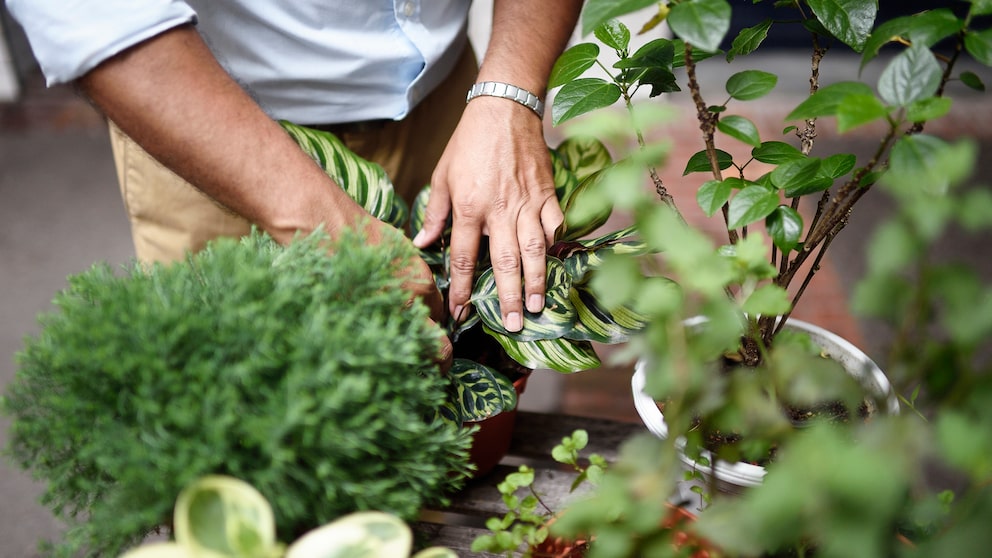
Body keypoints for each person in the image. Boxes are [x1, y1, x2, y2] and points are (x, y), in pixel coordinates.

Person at [6, 0, 583, 347]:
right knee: (245, 440)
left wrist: (510, 93)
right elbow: (94, 16)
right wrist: (326, 225)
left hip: (456, 110)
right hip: (223, 140)